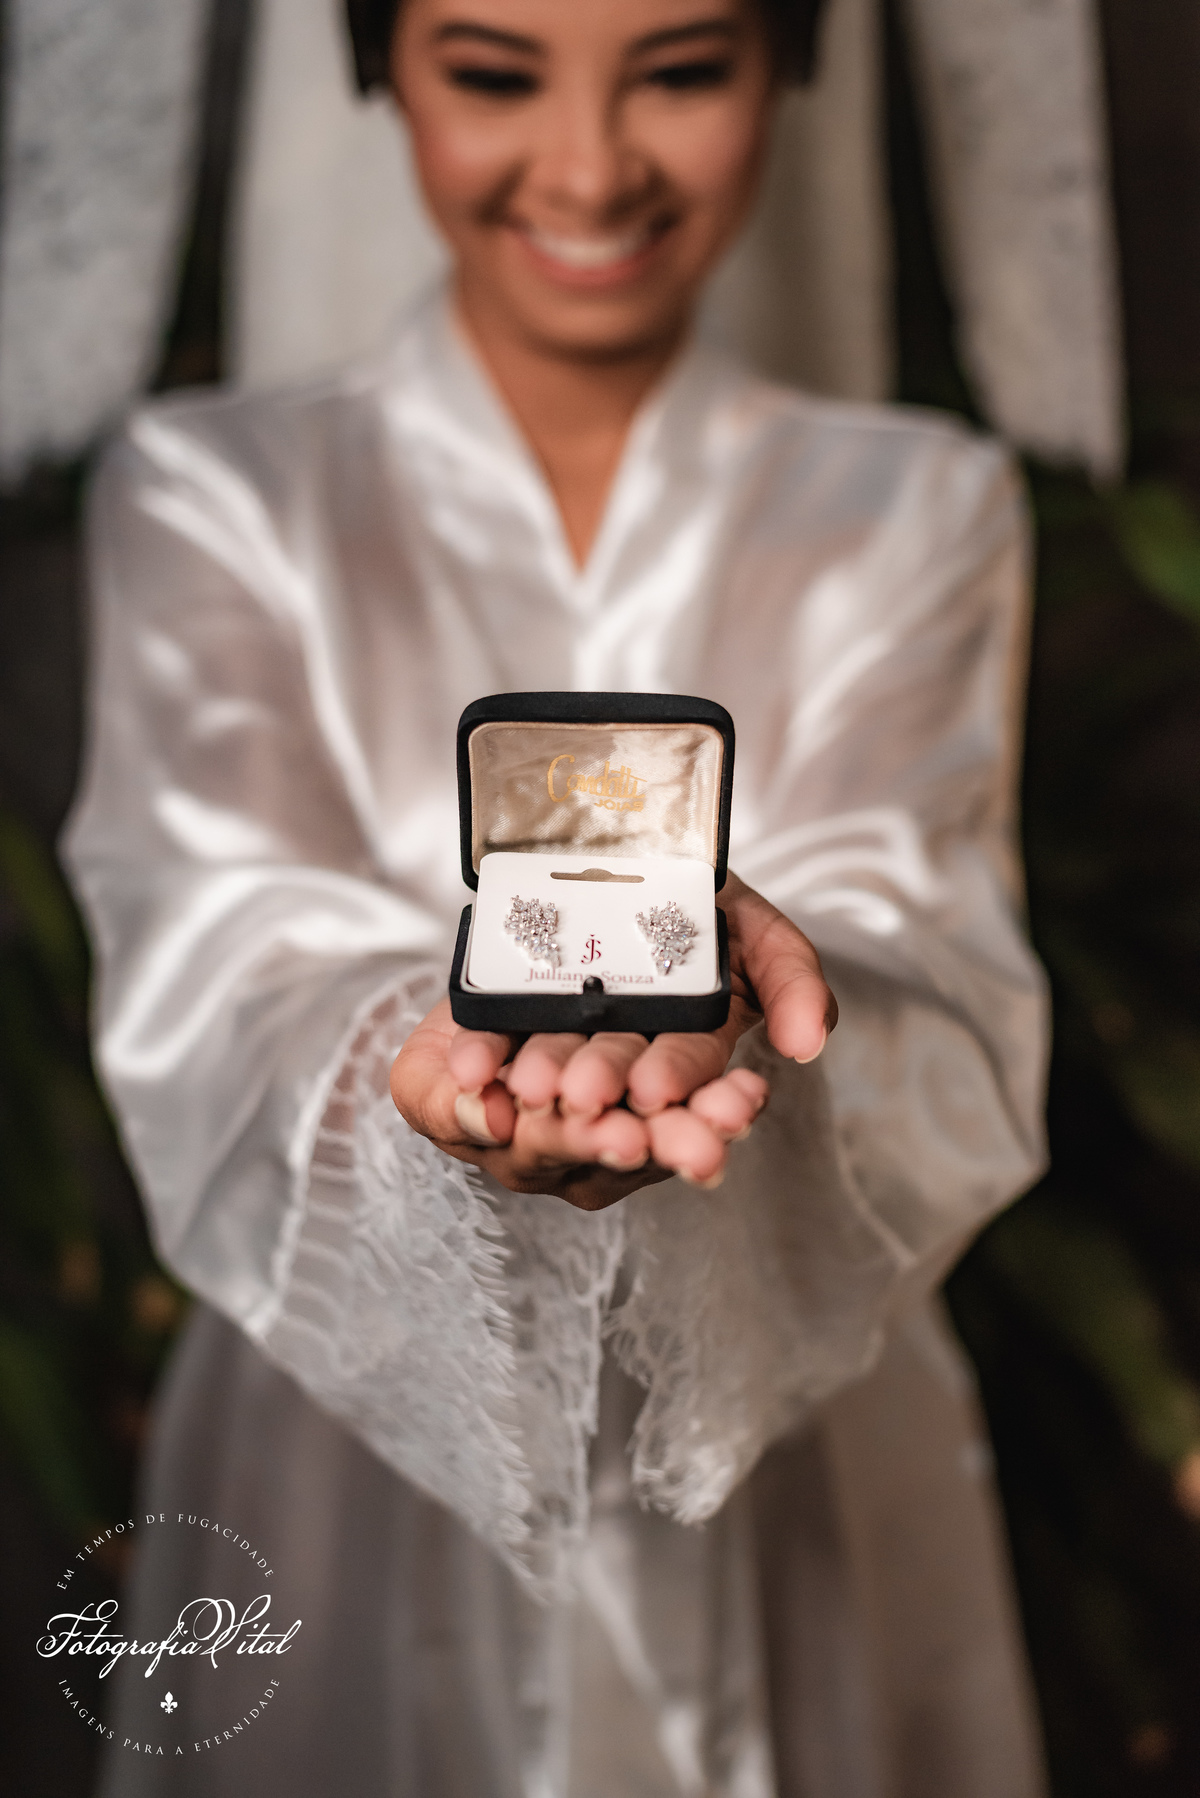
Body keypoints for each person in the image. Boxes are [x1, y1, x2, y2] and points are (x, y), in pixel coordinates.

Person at [67, 0, 1050, 1791]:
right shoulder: (218, 493)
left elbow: (943, 971)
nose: (591, 167)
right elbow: (213, 946)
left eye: (679, 69)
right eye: (495, 72)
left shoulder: (920, 505)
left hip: (802, 1469)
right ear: (379, 72)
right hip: (336, 1466)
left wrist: (761, 995)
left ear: (789, 69)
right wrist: (410, 1074)